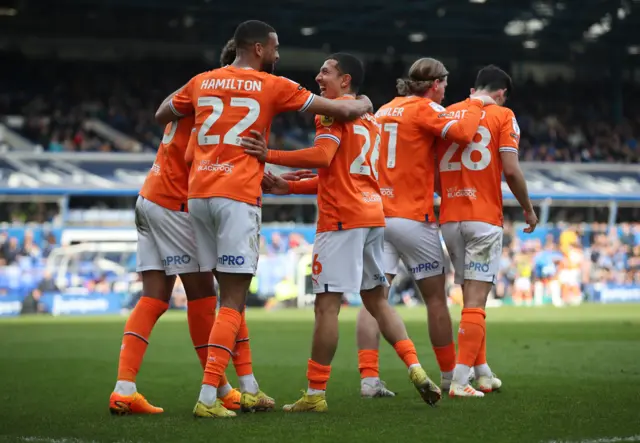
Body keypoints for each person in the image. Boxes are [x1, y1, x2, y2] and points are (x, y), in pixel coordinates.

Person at [154, 20, 374, 418]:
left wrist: (200, 89)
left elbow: (162, 112)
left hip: (199, 194)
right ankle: (209, 397)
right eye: (274, 48)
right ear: (257, 48)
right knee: (234, 301)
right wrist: (363, 104)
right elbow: (337, 109)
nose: (278, 55)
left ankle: (245, 386)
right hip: (237, 196)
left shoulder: (202, 81)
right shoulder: (275, 85)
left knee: (224, 299)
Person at [242, 53, 442, 412]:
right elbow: (342, 173)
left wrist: (267, 154)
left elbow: (322, 156)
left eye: (326, 71)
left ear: (345, 80)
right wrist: (291, 188)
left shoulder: (331, 111)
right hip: (372, 214)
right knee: (378, 300)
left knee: (326, 308)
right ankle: (415, 369)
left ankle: (315, 394)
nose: (318, 76)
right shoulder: (369, 119)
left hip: (340, 221)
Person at [108, 39, 247, 416]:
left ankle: (124, 389)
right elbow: (194, 156)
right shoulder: (223, 101)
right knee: (203, 296)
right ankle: (220, 390)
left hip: (149, 195)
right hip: (174, 201)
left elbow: (167, 115)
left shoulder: (195, 88)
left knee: (153, 297)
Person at [354, 57, 496, 397]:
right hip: (412, 218)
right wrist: (478, 102)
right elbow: (462, 133)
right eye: (444, 84)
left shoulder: (386, 108)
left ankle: (369, 379)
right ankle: (451, 377)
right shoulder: (424, 109)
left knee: (375, 300)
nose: (446, 91)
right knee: (435, 298)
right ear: (435, 84)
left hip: (378, 215)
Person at [435, 65, 538, 397]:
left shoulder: (447, 113)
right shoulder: (503, 115)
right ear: (501, 93)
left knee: (469, 300)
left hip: (450, 218)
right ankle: (459, 380)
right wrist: (528, 207)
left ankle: (482, 372)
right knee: (477, 301)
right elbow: (511, 169)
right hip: (482, 217)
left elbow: (433, 170)